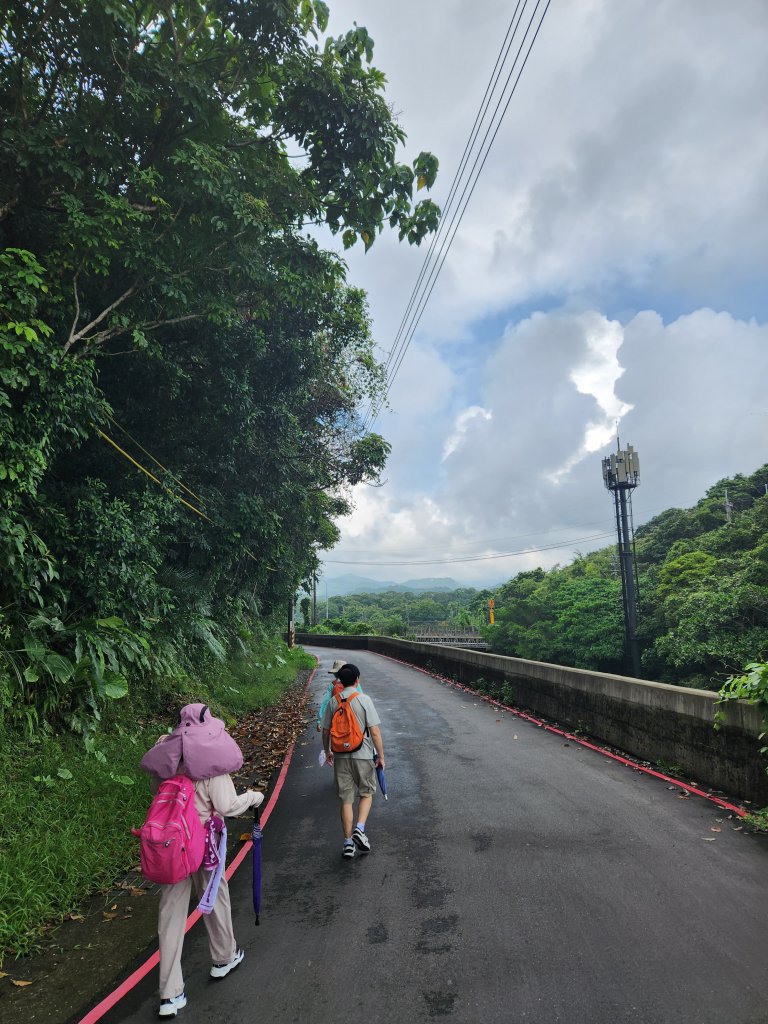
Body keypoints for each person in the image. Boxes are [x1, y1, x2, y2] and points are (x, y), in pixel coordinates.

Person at [139, 703, 264, 1018]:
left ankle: (170, 995)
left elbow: (159, 793)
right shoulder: (211, 765)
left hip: (171, 844)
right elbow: (228, 805)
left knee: (170, 915)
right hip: (204, 845)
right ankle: (223, 958)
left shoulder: (166, 759)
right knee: (214, 896)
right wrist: (254, 797)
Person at [321, 664, 385, 859]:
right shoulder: (364, 699)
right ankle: (360, 828)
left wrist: (328, 751)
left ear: (340, 680)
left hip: (340, 756)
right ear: (357, 679)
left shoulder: (333, 702)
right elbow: (374, 731)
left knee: (346, 800)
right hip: (363, 755)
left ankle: (348, 844)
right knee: (366, 793)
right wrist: (381, 756)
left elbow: (325, 731)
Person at [316, 658, 364, 731]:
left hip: (337, 719)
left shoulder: (333, 685)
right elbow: (361, 701)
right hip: (353, 718)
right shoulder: (355, 684)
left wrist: (320, 721)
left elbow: (326, 703)